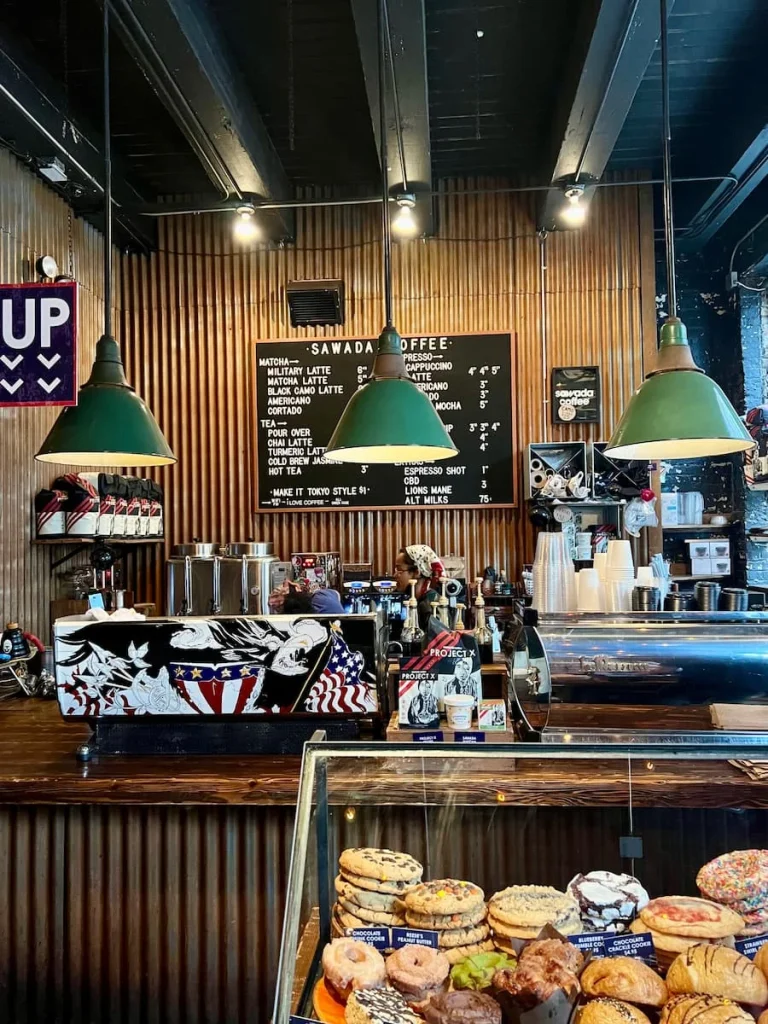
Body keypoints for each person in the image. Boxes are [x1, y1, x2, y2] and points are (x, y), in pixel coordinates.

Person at [393, 544, 444, 630]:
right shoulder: (419, 601)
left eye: (399, 570)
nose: (395, 575)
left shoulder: (429, 605)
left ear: (417, 572)